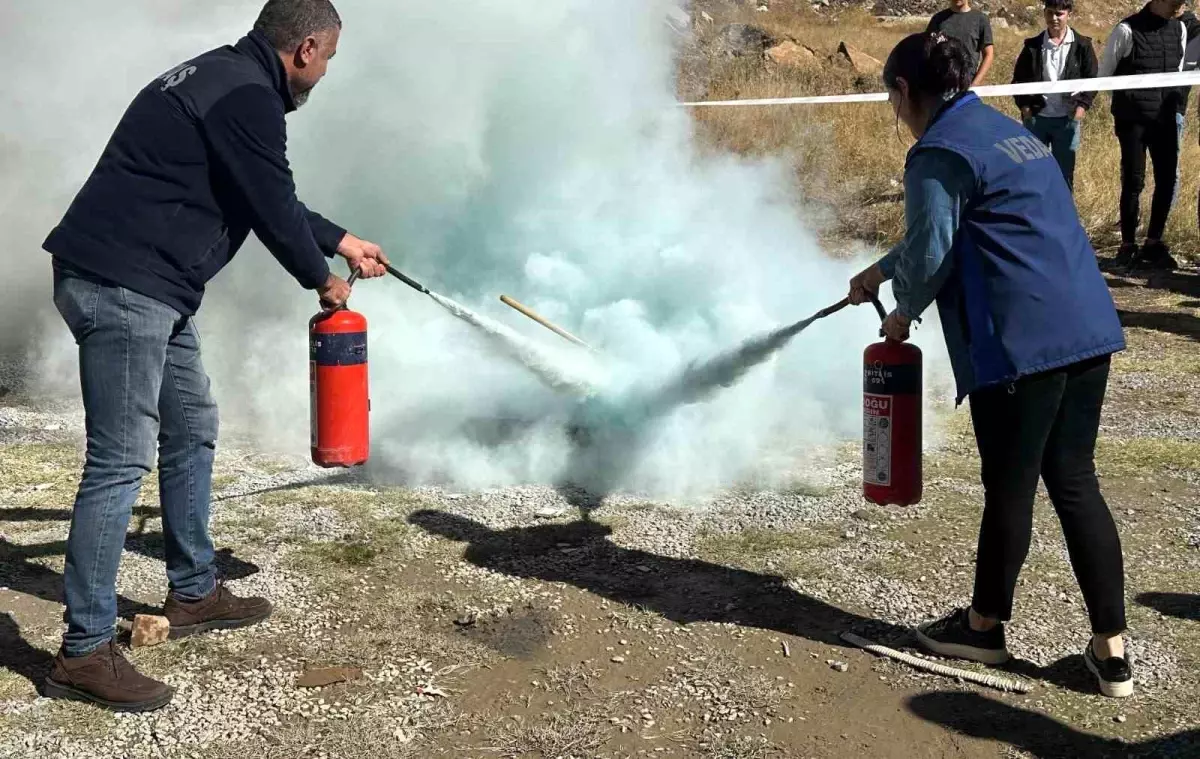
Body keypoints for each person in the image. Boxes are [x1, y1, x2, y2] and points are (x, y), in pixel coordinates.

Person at [40, 0, 388, 712]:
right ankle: (84, 650)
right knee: (118, 461)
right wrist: (323, 276)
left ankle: (194, 589)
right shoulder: (247, 96)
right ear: (307, 47)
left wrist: (340, 237)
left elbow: (256, 189)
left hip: (149, 285)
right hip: (123, 284)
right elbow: (267, 199)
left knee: (193, 422)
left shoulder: (226, 79)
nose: (323, 75)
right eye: (326, 61)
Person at [848, 32, 1133, 698]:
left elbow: (934, 250)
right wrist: (881, 270)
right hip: (1087, 329)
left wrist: (901, 310)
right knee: (1074, 479)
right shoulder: (1006, 132)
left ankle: (982, 627)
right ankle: (1111, 653)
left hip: (1022, 342)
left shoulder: (935, 152)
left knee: (1009, 483)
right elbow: (955, 225)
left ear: (903, 93)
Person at [1098, 0, 1190, 270]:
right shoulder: (1126, 30)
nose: (1179, 7)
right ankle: (1127, 246)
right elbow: (1105, 74)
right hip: (1132, 121)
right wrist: (1128, 103)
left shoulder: (1180, 29)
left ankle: (1153, 243)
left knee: (1166, 179)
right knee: (1133, 181)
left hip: (1165, 118)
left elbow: (1178, 71)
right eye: (1175, 2)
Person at [1010, 0, 1098, 192]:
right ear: (1044, 13)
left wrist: (1082, 106)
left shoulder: (1082, 45)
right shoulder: (1032, 46)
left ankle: (1063, 218)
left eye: (1059, 14)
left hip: (1067, 120)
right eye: (1050, 13)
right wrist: (1025, 107)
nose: (1054, 18)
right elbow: (1018, 80)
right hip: (1036, 119)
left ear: (1069, 14)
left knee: (1064, 175)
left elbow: (1092, 79)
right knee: (1033, 172)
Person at [926, 0, 995, 86]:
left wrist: (975, 84)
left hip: (966, 83)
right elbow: (927, 49)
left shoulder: (980, 19)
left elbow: (989, 54)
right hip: (939, 85)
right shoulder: (938, 19)